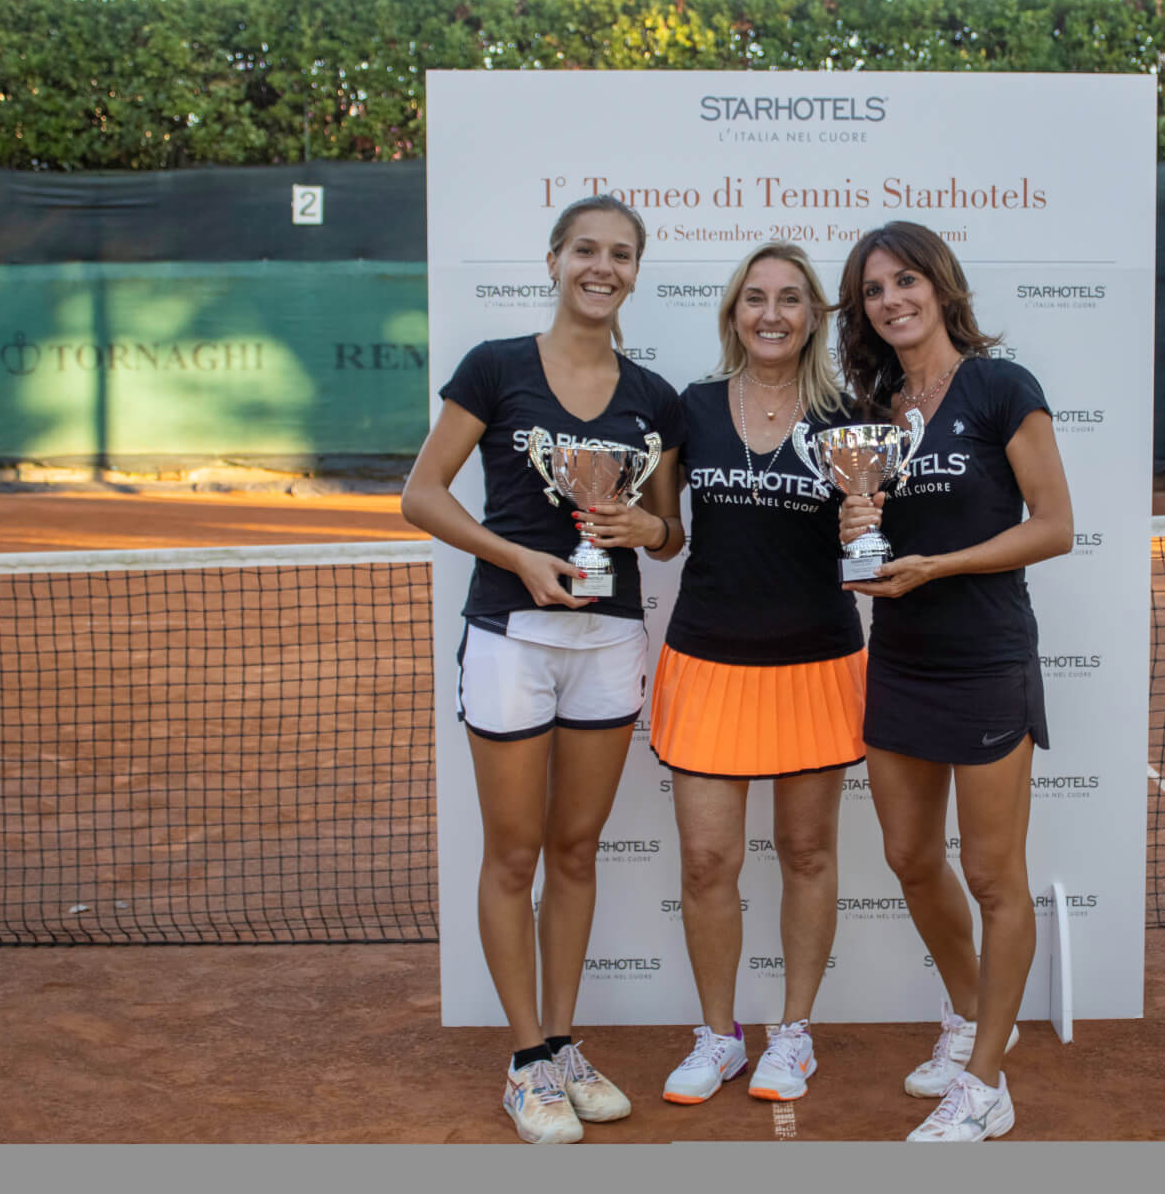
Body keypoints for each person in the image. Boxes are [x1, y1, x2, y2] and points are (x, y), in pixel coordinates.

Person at [400, 194, 686, 1145]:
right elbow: (421, 494)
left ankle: (562, 1042)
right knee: (513, 853)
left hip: (609, 641)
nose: (602, 268)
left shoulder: (654, 397)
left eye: (621, 255)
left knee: (574, 851)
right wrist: (515, 557)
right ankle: (525, 1059)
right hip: (512, 638)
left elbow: (670, 530)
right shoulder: (495, 368)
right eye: (587, 250)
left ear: (636, 272)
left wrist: (648, 528)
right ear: (556, 259)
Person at [833, 221, 1073, 1142]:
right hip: (899, 655)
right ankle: (972, 1019)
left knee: (992, 873)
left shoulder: (1002, 387)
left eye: (905, 281)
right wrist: (857, 521)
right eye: (873, 290)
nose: (891, 300)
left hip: (984, 654)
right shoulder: (877, 407)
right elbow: (866, 543)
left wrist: (939, 566)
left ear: (941, 284)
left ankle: (984, 1084)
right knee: (907, 855)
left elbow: (1053, 526)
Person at [650, 242, 866, 1108]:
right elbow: (667, 531)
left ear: (814, 313)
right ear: (733, 313)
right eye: (754, 298)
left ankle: (794, 1036)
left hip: (816, 660)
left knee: (808, 852)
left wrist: (866, 523)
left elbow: (871, 544)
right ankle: (719, 1035)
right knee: (708, 862)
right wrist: (635, 528)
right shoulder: (691, 408)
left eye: (788, 298)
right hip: (707, 658)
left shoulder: (851, 418)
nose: (770, 314)